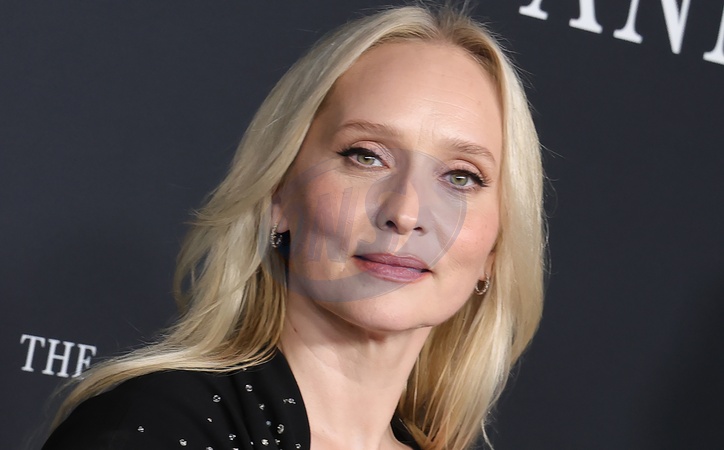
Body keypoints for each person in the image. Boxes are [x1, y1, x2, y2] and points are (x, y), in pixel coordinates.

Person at [42, 4, 544, 450]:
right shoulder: (152, 427)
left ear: (495, 248)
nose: (406, 213)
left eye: (461, 177)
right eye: (366, 156)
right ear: (279, 193)